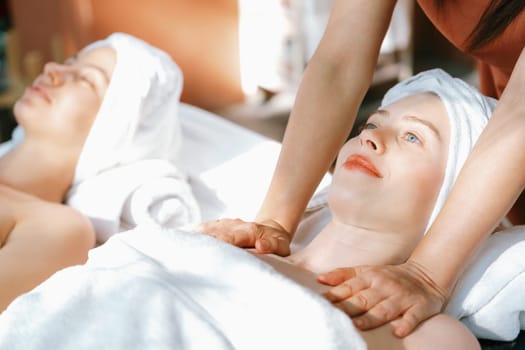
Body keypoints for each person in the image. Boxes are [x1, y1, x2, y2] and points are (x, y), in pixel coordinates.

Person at [199, 0, 525, 338]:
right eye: (368, 126)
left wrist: (427, 274)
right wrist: (274, 222)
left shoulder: (429, 336)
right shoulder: (213, 249)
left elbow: (520, 112)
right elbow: (340, 59)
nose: (371, 139)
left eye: (413, 137)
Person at [0, 32, 199, 311]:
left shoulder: (56, 227)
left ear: (114, 127)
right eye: (69, 61)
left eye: (86, 79)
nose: (52, 69)